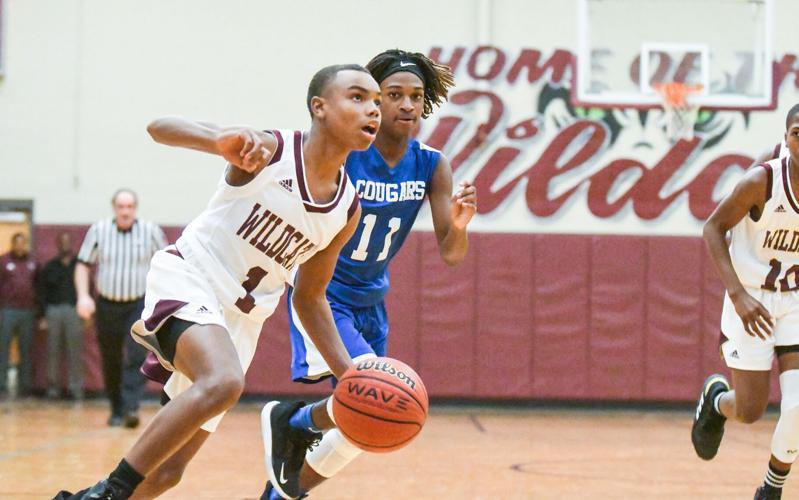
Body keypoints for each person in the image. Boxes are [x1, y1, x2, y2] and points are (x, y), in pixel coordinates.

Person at [54, 63, 381, 500]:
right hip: (192, 277)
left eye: (377, 102)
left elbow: (309, 297)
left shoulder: (346, 209)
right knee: (224, 381)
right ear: (319, 107)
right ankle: (107, 494)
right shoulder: (271, 150)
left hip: (241, 322)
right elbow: (158, 127)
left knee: (168, 472)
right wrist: (217, 141)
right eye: (358, 97)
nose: (372, 110)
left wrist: (348, 375)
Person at [260, 49, 476, 500]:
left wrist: (458, 225)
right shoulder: (348, 151)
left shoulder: (432, 164)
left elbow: (452, 255)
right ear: (375, 101)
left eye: (415, 96)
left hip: (372, 302)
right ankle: (293, 421)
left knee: (362, 431)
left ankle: (282, 493)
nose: (406, 105)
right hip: (325, 294)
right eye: (393, 95)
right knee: (374, 398)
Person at [693, 102, 799, 500]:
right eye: (796, 133)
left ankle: (771, 489)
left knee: (796, 407)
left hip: (794, 300)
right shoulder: (762, 181)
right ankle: (716, 401)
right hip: (750, 296)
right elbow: (712, 228)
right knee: (752, 410)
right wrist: (737, 295)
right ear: (785, 138)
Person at [75, 189, 166, 427]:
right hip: (107, 304)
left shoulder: (150, 231)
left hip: (138, 303)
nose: (125, 211)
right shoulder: (98, 230)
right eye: (121, 207)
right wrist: (83, 296)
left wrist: (161, 299)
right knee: (110, 358)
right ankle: (116, 409)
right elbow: (83, 265)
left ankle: (131, 408)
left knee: (136, 354)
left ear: (135, 208)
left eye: (129, 207)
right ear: (114, 208)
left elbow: (167, 264)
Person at [36, 232, 83, 400]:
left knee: (74, 351)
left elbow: (88, 289)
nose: (65, 245)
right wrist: (42, 316)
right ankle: (53, 390)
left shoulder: (79, 266)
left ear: (71, 244)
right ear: (58, 245)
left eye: (67, 241)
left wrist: (87, 313)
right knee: (52, 351)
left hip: (73, 311)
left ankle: (75, 389)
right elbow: (41, 292)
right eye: (62, 242)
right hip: (53, 311)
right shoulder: (50, 266)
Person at [0, 232, 38, 398]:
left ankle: (25, 387)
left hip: (27, 311)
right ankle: (2, 385)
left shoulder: (33, 262)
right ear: (13, 244)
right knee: (4, 348)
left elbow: (39, 286)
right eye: (18, 243)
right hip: (7, 310)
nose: (20, 246)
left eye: (23, 243)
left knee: (26, 349)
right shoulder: (3, 261)